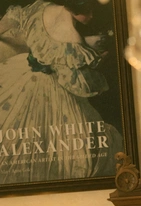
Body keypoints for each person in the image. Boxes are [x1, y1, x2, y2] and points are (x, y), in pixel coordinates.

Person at [0, 0, 122, 184]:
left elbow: (37, 37)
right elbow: (76, 84)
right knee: (68, 141)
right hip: (50, 88)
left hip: (22, 73)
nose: (91, 17)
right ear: (79, 7)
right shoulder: (72, 36)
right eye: (90, 11)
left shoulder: (40, 7)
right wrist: (99, 57)